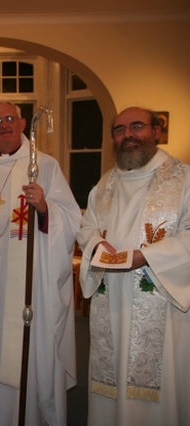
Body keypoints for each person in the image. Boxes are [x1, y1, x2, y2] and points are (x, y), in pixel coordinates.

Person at [0, 100, 81, 425]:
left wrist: (45, 208)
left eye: (10, 118)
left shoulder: (44, 166)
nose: (3, 125)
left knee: (22, 344)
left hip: (29, 281)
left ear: (23, 123)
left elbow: (70, 219)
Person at [76, 106, 190, 426]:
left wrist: (148, 256)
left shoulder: (183, 178)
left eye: (136, 126)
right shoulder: (106, 184)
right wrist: (98, 245)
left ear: (156, 131)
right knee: (111, 374)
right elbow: (87, 228)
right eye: (120, 129)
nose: (128, 135)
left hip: (161, 298)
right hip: (111, 297)